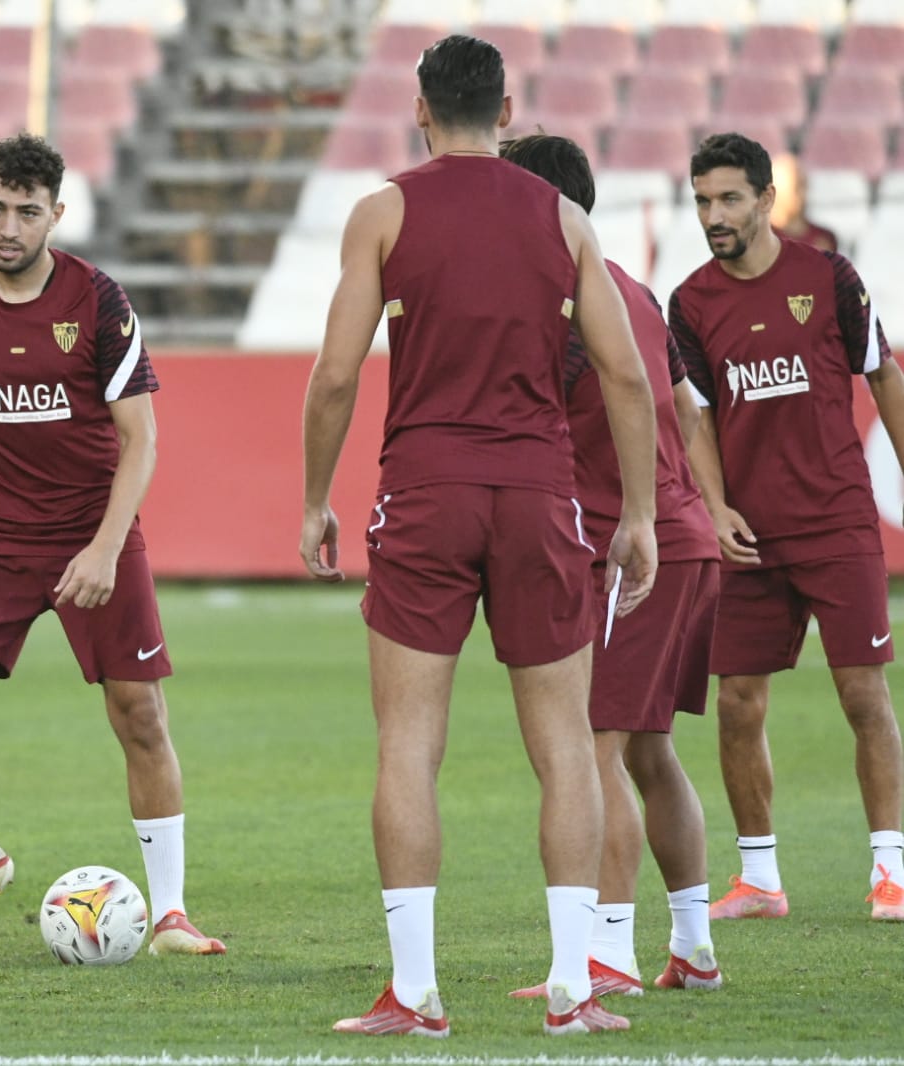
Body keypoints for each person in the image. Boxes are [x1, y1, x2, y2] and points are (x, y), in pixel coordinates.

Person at [299, 34, 658, 1038]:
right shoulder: (564, 216)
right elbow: (627, 375)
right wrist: (635, 512)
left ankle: (414, 993)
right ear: (507, 114)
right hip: (541, 491)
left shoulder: (384, 211)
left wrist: (313, 499)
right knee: (567, 753)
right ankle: (570, 985)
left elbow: (334, 374)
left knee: (409, 745)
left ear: (421, 109)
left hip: (424, 489)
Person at [0, 132, 225, 959]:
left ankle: (172, 913)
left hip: (92, 531)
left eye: (27, 211)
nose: (9, 226)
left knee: (139, 714)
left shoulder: (99, 301)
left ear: (57, 214)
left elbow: (141, 439)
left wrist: (106, 546)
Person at [498, 134, 723, 996]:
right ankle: (694, 946)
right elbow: (684, 410)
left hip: (625, 551)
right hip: (684, 537)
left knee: (591, 753)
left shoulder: (557, 298)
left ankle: (609, 957)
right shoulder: (630, 288)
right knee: (649, 751)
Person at [669, 132, 904, 923]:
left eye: (729, 198)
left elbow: (883, 372)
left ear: (767, 199)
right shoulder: (690, 302)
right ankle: (761, 880)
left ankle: (890, 872)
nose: (713, 215)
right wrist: (714, 503)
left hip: (836, 519)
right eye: (702, 200)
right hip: (748, 535)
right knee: (737, 702)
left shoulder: (828, 279)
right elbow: (693, 415)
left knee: (863, 696)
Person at [769, 152, 839, 254]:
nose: (802, 194)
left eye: (804, 185)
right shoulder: (757, 239)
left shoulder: (824, 238)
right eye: (796, 187)